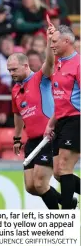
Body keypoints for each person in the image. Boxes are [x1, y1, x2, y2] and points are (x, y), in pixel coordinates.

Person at [8, 25, 77, 209]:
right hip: (33, 138)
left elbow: (49, 62)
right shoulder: (15, 89)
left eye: (14, 69)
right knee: (32, 187)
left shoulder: (40, 78)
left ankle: (61, 216)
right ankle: (68, 202)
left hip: (48, 136)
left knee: (43, 181)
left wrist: (48, 41)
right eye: (9, 70)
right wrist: (17, 137)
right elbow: (18, 114)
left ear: (25, 65)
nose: (11, 73)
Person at [45, 25, 80, 209]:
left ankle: (66, 217)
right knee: (58, 172)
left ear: (66, 41)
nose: (52, 45)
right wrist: (51, 123)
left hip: (76, 120)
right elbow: (61, 100)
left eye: (54, 41)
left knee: (65, 167)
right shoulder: (59, 64)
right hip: (61, 121)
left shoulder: (78, 64)